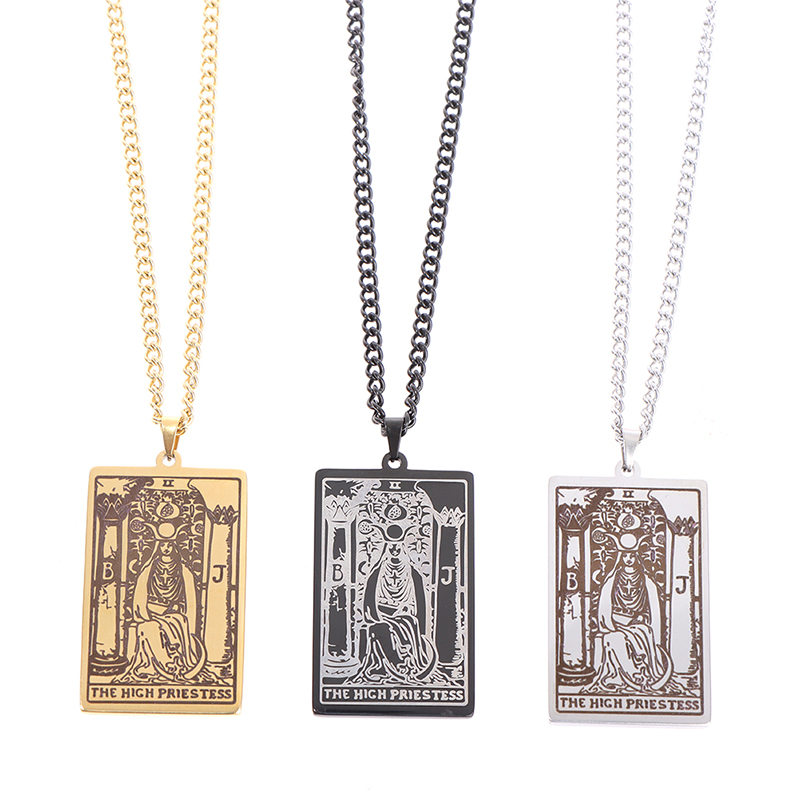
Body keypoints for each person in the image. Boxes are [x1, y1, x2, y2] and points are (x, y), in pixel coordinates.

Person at [120, 537, 208, 683]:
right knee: (146, 627)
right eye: (162, 545)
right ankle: (162, 664)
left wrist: (175, 608)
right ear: (157, 546)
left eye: (169, 545)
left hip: (173, 615)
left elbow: (189, 600)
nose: (166, 548)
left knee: (166, 624)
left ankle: (171, 665)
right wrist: (146, 613)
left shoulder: (183, 570)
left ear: (174, 547)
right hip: (150, 613)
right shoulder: (149, 569)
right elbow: (140, 597)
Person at [355, 525, 437, 683]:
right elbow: (369, 606)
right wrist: (381, 615)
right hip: (381, 616)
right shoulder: (376, 573)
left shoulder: (413, 574)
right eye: (391, 546)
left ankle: (406, 664)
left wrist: (405, 610)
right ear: (386, 548)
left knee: (406, 623)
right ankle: (397, 665)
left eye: (397, 546)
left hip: (405, 618)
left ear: (403, 548)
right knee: (382, 628)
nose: (394, 550)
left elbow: (419, 606)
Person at [589, 549, 673, 693]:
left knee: (643, 631)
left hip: (635, 623)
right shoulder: (614, 577)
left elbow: (649, 608)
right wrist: (611, 622)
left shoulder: (645, 579)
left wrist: (641, 617)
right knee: (615, 637)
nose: (628, 559)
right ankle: (631, 675)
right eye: (625, 555)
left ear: (637, 557)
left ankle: (641, 674)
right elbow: (605, 605)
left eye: (632, 555)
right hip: (614, 622)